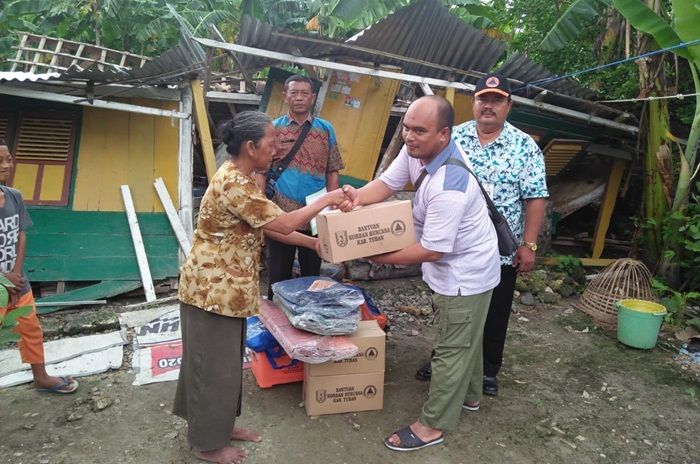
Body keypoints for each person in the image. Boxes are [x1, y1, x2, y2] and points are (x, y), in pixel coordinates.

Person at [174, 111, 346, 464]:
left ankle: (218, 426)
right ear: (251, 147)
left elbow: (268, 226)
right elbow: (282, 220)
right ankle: (208, 445)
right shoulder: (235, 183)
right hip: (212, 291)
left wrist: (312, 245)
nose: (277, 150)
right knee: (211, 366)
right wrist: (327, 200)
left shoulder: (244, 179)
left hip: (228, 290)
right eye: (272, 144)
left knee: (222, 364)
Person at [341, 96, 500, 451]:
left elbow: (432, 249)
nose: (409, 136)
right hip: (462, 264)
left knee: (451, 348)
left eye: (420, 131)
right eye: (407, 127)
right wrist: (357, 199)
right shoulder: (419, 152)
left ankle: (432, 426)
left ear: (444, 135)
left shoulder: (450, 185)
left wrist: (379, 256)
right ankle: (470, 396)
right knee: (466, 336)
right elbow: (386, 184)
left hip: (466, 274)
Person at [415, 73, 548, 396]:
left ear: (508, 105)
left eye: (497, 100)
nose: (489, 106)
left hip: (500, 249)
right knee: (447, 308)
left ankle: (487, 369)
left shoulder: (524, 147)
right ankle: (444, 359)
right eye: (483, 99)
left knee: (495, 311)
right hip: (453, 248)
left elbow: (536, 197)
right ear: (473, 103)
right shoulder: (451, 138)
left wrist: (528, 244)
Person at [0, 138, 79, 394]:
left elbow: (21, 233)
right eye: (0, 161)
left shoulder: (14, 196)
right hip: (3, 285)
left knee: (30, 329)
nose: (6, 165)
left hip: (18, 282)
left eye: (9, 159)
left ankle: (41, 377)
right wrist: (4, 280)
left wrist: (16, 273)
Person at [260, 74, 344, 299]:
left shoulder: (326, 130)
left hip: (315, 213)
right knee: (278, 275)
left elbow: (332, 169)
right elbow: (262, 168)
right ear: (285, 96)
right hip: (281, 212)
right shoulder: (273, 129)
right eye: (294, 92)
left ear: (313, 98)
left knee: (312, 276)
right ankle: (276, 322)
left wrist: (332, 210)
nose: (299, 98)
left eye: (304, 93)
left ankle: (309, 320)